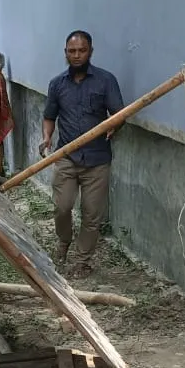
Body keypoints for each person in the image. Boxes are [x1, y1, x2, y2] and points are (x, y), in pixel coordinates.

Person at [39, 30, 124, 278]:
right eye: (72, 51)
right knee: (62, 207)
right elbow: (49, 116)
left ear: (91, 52)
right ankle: (64, 241)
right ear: (65, 53)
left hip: (97, 160)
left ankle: (83, 260)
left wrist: (114, 125)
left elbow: (120, 113)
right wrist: (47, 137)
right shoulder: (57, 84)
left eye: (82, 50)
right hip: (66, 156)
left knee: (91, 214)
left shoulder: (106, 81)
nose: (77, 55)